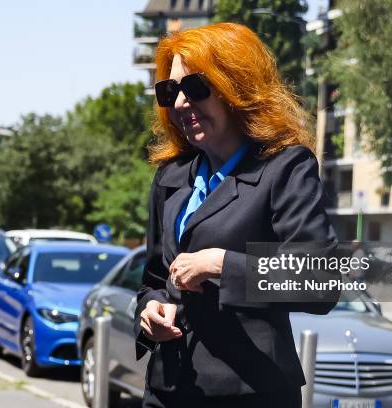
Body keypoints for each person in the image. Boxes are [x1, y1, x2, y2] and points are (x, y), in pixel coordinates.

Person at [135, 22, 341, 408]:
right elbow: (154, 280)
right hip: (167, 390)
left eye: (195, 87)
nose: (180, 103)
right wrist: (149, 310)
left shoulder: (285, 168)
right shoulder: (170, 177)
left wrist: (219, 263)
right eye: (170, 91)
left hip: (250, 393)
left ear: (236, 88)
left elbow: (318, 282)